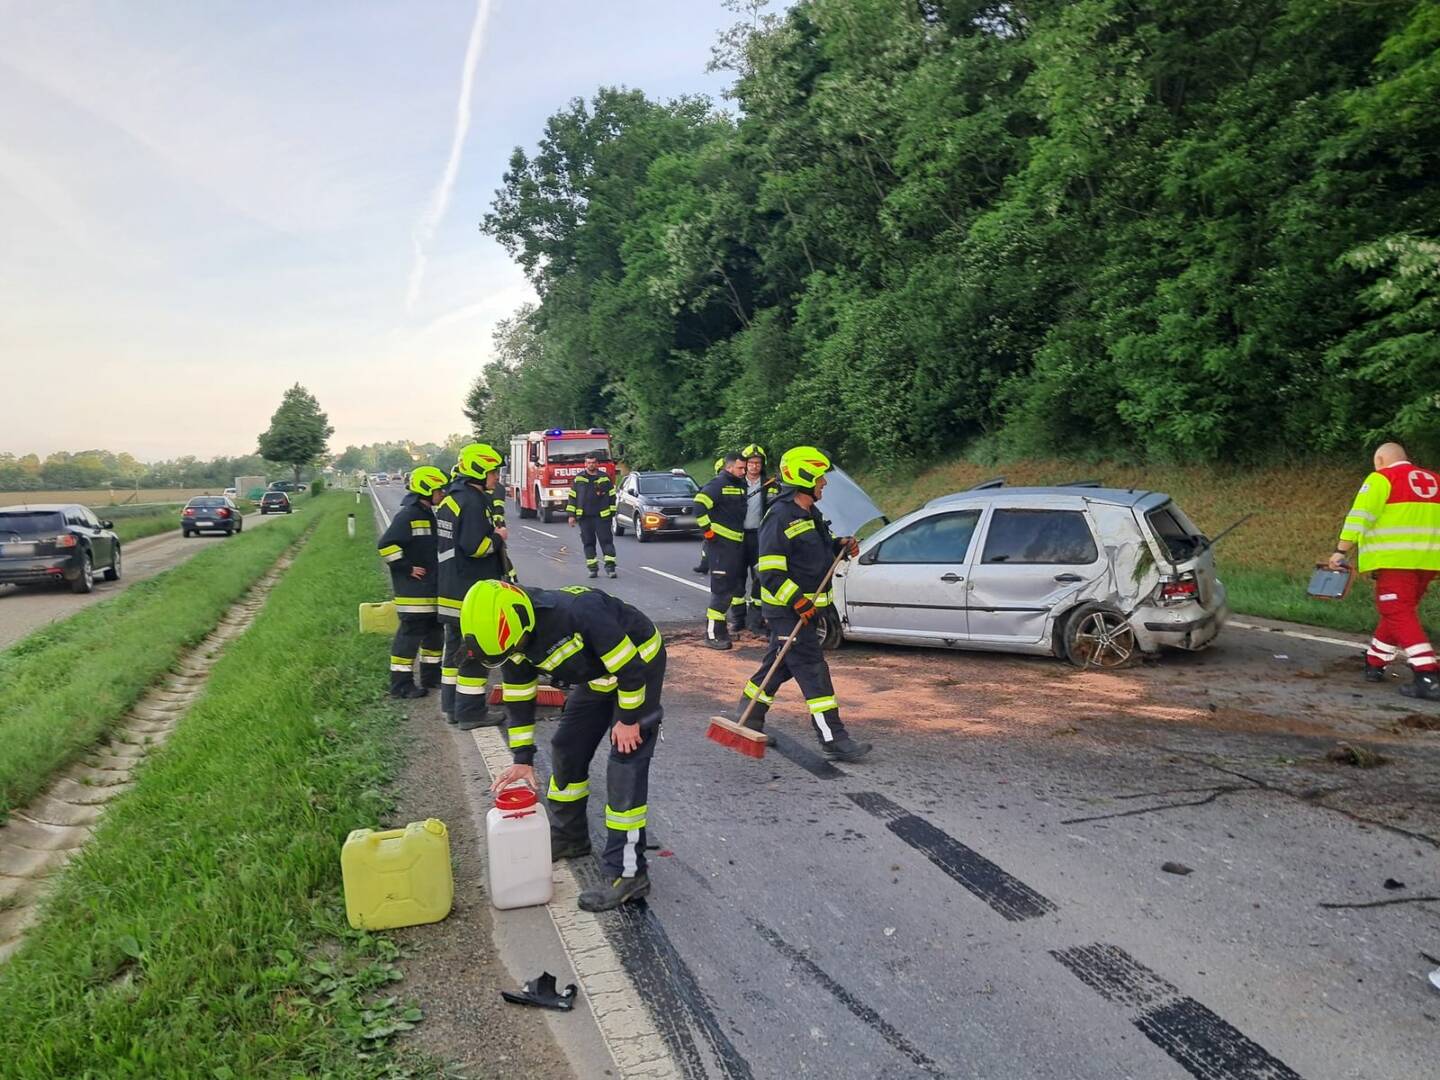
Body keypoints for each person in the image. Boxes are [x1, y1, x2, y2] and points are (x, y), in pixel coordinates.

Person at [468, 580, 665, 912]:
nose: (515, 656)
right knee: (566, 745)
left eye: (515, 649)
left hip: (637, 666)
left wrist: (629, 719)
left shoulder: (579, 611)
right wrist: (522, 757)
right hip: (599, 673)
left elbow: (629, 670)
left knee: (624, 763)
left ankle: (630, 874)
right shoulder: (510, 639)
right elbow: (518, 697)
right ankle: (570, 837)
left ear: (523, 622)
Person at [738, 446, 872, 761]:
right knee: (813, 669)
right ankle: (833, 738)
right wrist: (797, 600)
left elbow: (817, 551)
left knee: (779, 663)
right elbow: (769, 572)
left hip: (807, 610)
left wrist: (839, 545)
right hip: (788, 611)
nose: (824, 483)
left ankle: (747, 713)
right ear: (805, 476)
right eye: (820, 477)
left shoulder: (810, 512)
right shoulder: (780, 516)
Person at [1330, 441, 1440, 701]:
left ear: (1379, 460)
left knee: (1396, 611)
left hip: (1395, 560)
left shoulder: (1381, 478)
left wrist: (1341, 551)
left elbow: (1360, 516)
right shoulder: (1435, 480)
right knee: (1398, 613)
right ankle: (1375, 661)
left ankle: (1427, 674)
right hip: (1429, 561)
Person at [435, 443, 507, 729]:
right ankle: (470, 713)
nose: (496, 477)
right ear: (479, 470)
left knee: (453, 653)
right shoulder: (473, 502)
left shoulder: (452, 499)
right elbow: (476, 546)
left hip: (451, 588)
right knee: (474, 654)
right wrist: (499, 537)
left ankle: (451, 707)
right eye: (493, 472)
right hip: (470, 592)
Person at [376, 466, 448, 698]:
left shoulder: (427, 514)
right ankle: (401, 685)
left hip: (429, 589)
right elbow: (386, 546)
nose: (443, 494)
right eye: (439, 490)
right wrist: (407, 567)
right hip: (413, 592)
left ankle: (431, 676)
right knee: (409, 637)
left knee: (434, 633)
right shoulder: (408, 515)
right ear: (426, 490)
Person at [696, 452, 750, 649]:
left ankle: (721, 631)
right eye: (740, 468)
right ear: (729, 468)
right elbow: (699, 506)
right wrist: (708, 532)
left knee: (731, 588)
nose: (744, 472)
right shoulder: (718, 484)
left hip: (735, 546)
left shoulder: (739, 485)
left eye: (744, 468)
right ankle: (711, 635)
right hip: (720, 547)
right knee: (721, 592)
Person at [739, 443, 782, 634]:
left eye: (758, 463)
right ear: (745, 464)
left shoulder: (770, 484)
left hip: (760, 536)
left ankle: (756, 621)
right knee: (737, 578)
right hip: (739, 537)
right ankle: (738, 619)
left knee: (759, 577)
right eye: (751, 462)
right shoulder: (735, 483)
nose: (755, 466)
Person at [567, 452, 618, 579]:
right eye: (588, 463)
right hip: (584, 517)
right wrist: (571, 515)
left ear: (597, 464)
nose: (591, 465)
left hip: (602, 517)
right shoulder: (579, 479)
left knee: (606, 542)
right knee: (588, 543)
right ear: (585, 464)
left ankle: (610, 568)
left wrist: (611, 513)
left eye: (593, 462)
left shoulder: (604, 478)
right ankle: (592, 568)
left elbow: (612, 496)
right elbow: (573, 498)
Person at [692, 455, 725, 576]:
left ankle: (706, 565)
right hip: (716, 522)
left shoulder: (716, 485)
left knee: (710, 544)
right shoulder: (715, 486)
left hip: (721, 523)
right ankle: (705, 564)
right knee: (709, 543)